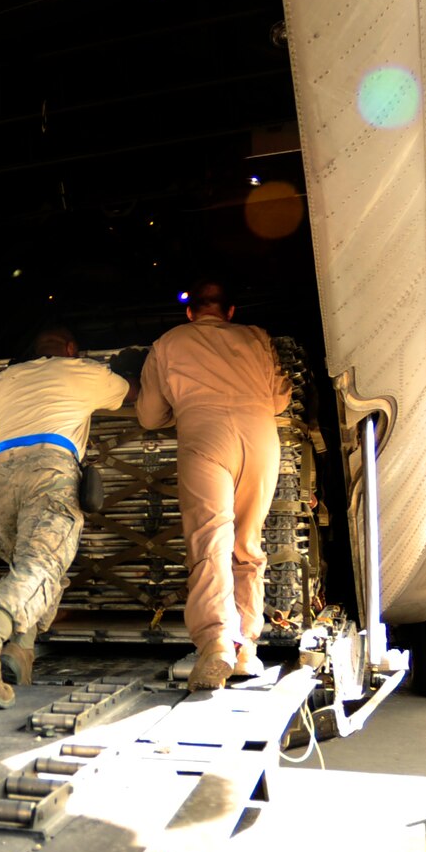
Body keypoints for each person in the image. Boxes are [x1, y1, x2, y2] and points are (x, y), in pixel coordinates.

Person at [0, 326, 133, 707]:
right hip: (48, 466)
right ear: (70, 348)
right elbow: (125, 395)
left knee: (27, 562)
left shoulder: (5, 379)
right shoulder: (83, 370)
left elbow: (3, 414)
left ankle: (21, 651)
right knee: (42, 564)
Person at [134, 282, 290, 690]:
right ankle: (247, 650)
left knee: (209, 541)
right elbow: (280, 402)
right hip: (260, 435)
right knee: (248, 545)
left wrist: (186, 409)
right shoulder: (256, 337)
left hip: (205, 434)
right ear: (230, 311)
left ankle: (217, 642)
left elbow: (149, 417)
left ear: (190, 313)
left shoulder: (167, 342)